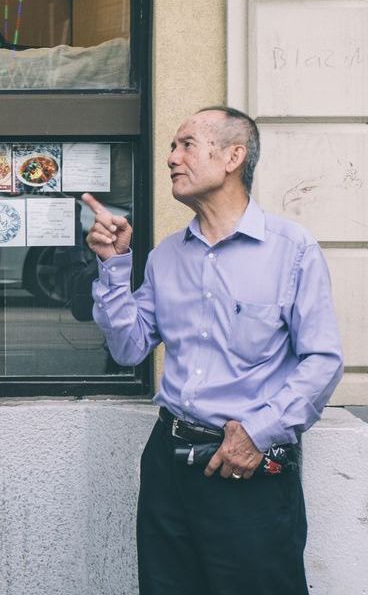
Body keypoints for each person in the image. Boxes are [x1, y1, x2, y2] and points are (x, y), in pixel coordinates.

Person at [83, 106, 343, 595]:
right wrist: (115, 266)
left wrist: (259, 433)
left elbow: (322, 361)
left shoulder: (293, 250)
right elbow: (128, 348)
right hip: (168, 464)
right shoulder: (166, 256)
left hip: (247, 469)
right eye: (172, 147)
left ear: (232, 157)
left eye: (186, 145)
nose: (170, 158)